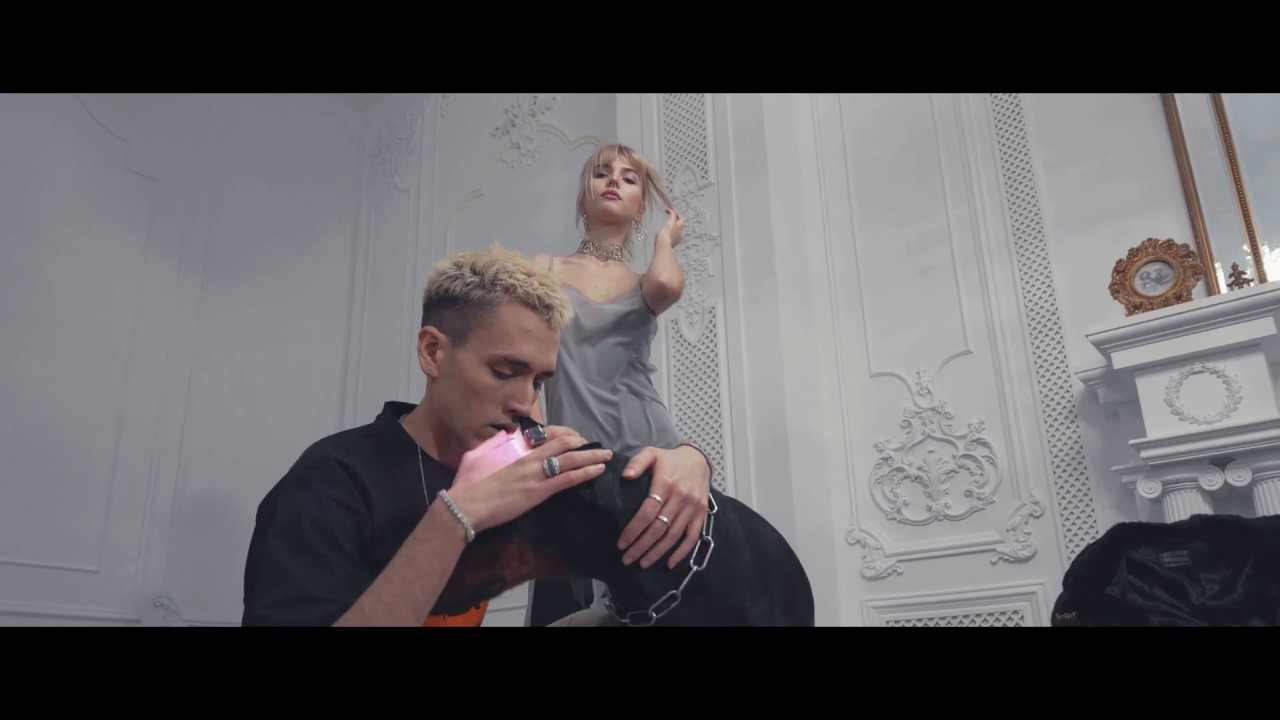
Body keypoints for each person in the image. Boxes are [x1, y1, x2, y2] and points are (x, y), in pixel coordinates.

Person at [240, 244, 619, 626]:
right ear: (432, 352)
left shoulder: (514, 467)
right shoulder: (329, 482)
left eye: (537, 382)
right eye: (505, 372)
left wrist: (661, 475)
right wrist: (455, 518)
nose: (525, 403)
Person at [524, 143, 714, 626]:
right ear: (584, 193)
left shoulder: (644, 280)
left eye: (630, 179)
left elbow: (667, 287)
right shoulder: (543, 270)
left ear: (640, 205)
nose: (614, 181)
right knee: (565, 602)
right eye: (602, 173)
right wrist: (537, 439)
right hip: (572, 453)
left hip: (650, 451)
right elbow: (523, 366)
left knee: (666, 598)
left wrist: (665, 241)